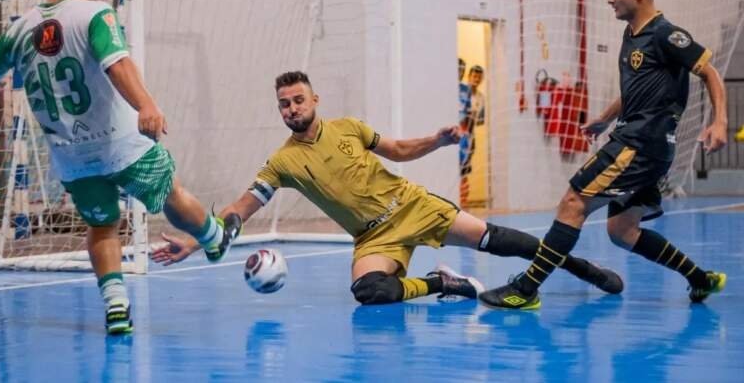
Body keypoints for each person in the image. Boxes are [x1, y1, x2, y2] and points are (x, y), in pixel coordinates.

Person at [152, 71, 624, 305]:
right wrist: (198, 238)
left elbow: (396, 150)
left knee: (500, 241)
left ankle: (584, 269)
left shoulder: (349, 127)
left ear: (315, 99)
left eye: (298, 100)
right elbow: (241, 207)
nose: (291, 108)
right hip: (373, 237)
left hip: (412, 206)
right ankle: (444, 283)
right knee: (369, 290)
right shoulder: (281, 162)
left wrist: (437, 141)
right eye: (284, 104)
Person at [0, 0, 232, 334]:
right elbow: (117, 63)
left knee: (102, 226)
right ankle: (212, 238)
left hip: (71, 157)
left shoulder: (18, 29)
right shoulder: (95, 13)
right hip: (121, 144)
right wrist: (146, 104)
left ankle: (115, 307)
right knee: (170, 192)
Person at [479, 0, 728, 310]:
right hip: (644, 145)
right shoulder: (632, 36)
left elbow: (710, 73)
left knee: (573, 202)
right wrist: (603, 119)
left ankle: (526, 289)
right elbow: (635, 91)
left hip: (639, 144)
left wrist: (720, 121)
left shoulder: (666, 34)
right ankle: (700, 279)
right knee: (622, 231)